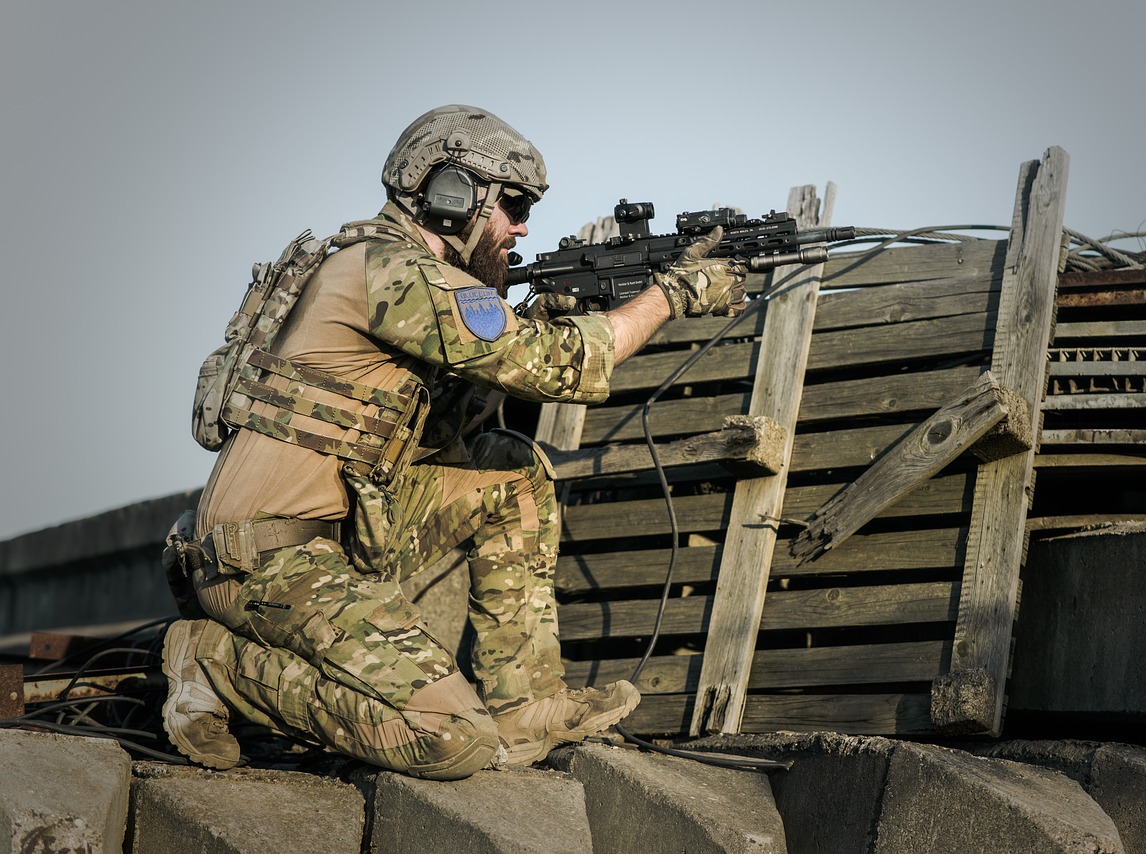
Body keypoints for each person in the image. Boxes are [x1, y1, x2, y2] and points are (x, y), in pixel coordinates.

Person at [161, 104, 747, 779]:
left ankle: (525, 705)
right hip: (265, 561)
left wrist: (531, 315)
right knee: (453, 741)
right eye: (514, 204)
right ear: (452, 196)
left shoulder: (400, 273)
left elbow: (439, 435)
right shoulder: (388, 271)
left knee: (511, 472)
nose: (522, 224)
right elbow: (557, 365)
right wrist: (673, 295)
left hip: (331, 539)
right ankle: (212, 660)